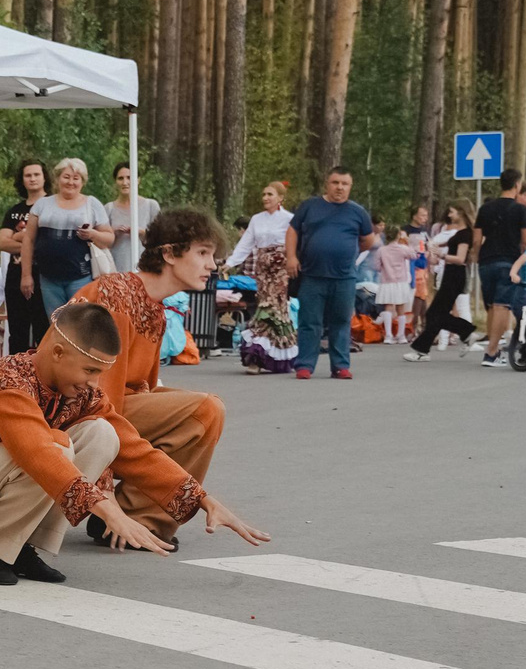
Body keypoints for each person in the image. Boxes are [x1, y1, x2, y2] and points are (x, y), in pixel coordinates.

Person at [0, 302, 261, 584]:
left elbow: (134, 450)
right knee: (55, 447)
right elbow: (37, 453)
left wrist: (202, 499)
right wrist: (111, 512)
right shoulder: (8, 382)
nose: (95, 382)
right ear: (58, 353)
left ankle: (21, 546)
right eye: (90, 370)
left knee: (102, 434)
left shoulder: (81, 393)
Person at [71, 209, 261, 548]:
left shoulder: (154, 306)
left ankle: (142, 516)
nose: (212, 265)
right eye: (202, 253)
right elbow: (96, 407)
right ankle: (121, 519)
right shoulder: (116, 295)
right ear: (170, 253)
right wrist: (104, 503)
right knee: (205, 408)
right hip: (70, 415)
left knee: (205, 410)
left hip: (108, 409)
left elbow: (142, 390)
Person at [285, 165, 374, 379]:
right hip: (312, 275)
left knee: (341, 321)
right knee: (309, 322)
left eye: (345, 184)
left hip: (344, 277)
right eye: (336, 183)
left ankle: (340, 366)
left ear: (350, 187)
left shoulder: (357, 211)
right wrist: (291, 257)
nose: (340, 188)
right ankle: (305, 365)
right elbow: (292, 231)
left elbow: (368, 239)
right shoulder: (310, 206)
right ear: (327, 183)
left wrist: (346, 253)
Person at [14, 158, 108, 316]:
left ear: (82, 181)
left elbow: (109, 239)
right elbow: (28, 240)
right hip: (48, 279)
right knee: (56, 325)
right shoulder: (42, 205)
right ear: (57, 178)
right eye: (66, 177)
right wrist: (26, 275)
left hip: (81, 277)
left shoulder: (92, 204)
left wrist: (93, 234)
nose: (70, 182)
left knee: (80, 323)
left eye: (76, 178)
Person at [473, 169, 526, 368]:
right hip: (508, 261)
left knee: (491, 305)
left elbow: (476, 239)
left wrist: (477, 257)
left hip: (486, 261)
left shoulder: (485, 208)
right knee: (502, 306)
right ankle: (491, 352)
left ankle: (495, 348)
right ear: (517, 185)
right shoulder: (520, 210)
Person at [405, 208, 475, 358]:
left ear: (462, 213)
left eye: (452, 212)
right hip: (450, 274)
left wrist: (442, 255)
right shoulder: (459, 233)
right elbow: (445, 245)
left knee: (435, 314)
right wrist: (434, 248)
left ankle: (423, 350)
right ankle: (465, 330)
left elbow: (460, 258)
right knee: (435, 314)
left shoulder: (465, 234)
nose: (449, 215)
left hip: (456, 275)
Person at [0, 160, 51, 352]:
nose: (32, 179)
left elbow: (48, 243)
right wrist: (29, 241)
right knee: (17, 331)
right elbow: (2, 242)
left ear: (44, 177)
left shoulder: (52, 206)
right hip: (15, 276)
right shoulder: (14, 211)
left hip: (44, 276)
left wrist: (19, 236)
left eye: (36, 174)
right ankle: (15, 377)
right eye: (28, 175)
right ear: (22, 180)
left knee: (43, 330)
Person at [226, 180, 294, 317]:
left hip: (280, 267)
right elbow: (246, 243)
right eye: (264, 194)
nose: (265, 198)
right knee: (262, 302)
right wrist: (230, 262)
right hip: (262, 266)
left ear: (280, 198)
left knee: (276, 302)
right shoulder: (257, 219)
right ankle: (262, 334)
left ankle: (278, 334)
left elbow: (296, 242)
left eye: (270, 194)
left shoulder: (289, 218)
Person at [102, 161, 157, 274]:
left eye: (129, 177)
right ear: (115, 182)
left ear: (138, 180)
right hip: (115, 270)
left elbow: (161, 238)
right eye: (120, 178)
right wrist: (113, 233)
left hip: (145, 270)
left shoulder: (151, 206)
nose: (125, 182)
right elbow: (101, 243)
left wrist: (140, 232)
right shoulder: (108, 208)